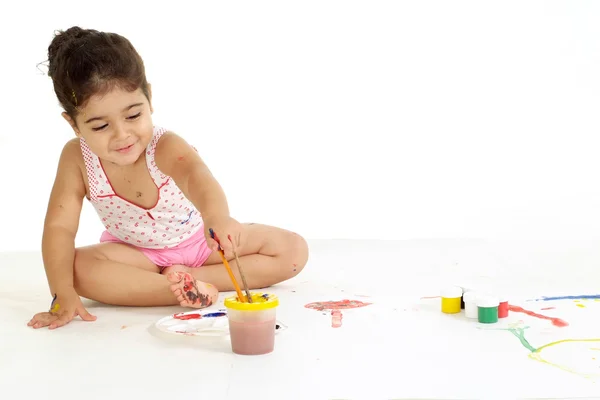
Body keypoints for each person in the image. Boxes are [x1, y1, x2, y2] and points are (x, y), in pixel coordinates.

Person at [27, 26, 309, 330]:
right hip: (135, 255)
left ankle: (191, 279)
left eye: (133, 116)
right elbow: (59, 227)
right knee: (75, 268)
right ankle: (181, 288)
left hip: (202, 243)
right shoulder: (76, 158)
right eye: (99, 126)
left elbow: (197, 178)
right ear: (73, 123)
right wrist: (62, 293)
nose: (122, 135)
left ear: (149, 97)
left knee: (293, 251)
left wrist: (218, 217)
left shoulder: (164, 145)